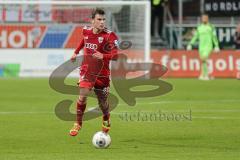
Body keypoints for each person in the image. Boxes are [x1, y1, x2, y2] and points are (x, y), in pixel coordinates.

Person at [69, 8, 119, 136]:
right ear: (92, 21)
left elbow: (116, 55)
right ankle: (78, 123)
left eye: (103, 19)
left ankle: (106, 118)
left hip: (103, 74)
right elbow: (84, 40)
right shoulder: (85, 30)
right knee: (83, 94)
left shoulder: (109, 35)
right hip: (88, 71)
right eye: (99, 19)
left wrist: (103, 56)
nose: (102, 22)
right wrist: (76, 52)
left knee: (102, 103)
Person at [187, 14, 220, 80]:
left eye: (205, 18)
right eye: (203, 18)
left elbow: (214, 37)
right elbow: (195, 37)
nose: (204, 19)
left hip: (208, 46)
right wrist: (190, 44)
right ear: (201, 19)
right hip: (201, 47)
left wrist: (216, 45)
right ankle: (203, 75)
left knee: (204, 58)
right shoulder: (199, 27)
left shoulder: (211, 27)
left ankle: (206, 75)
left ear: (208, 19)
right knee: (202, 60)